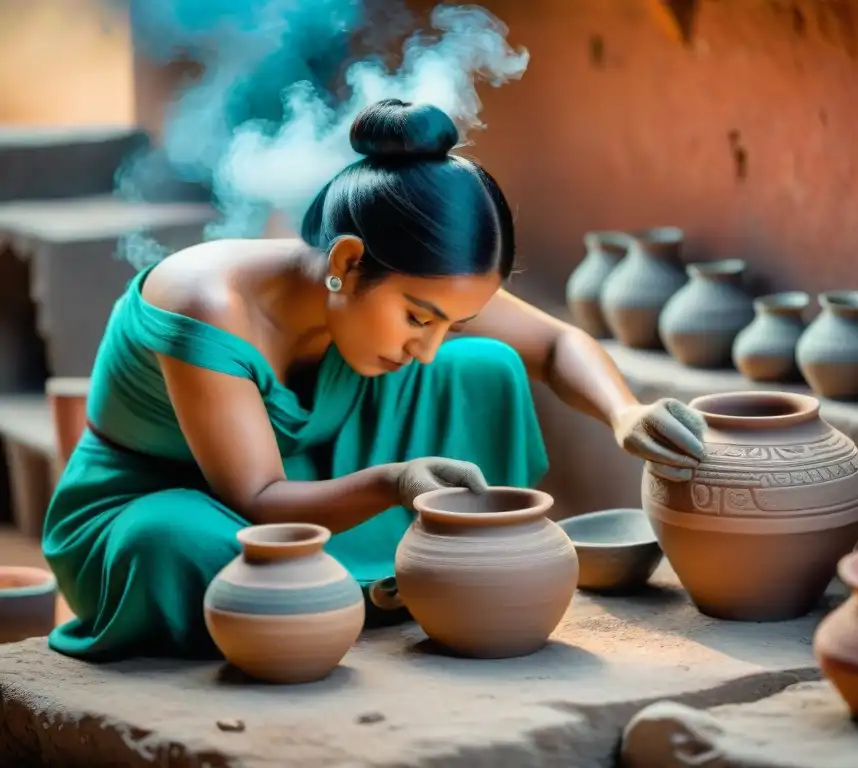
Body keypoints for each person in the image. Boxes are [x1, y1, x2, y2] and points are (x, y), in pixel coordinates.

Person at [42, 98, 706, 662]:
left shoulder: (402, 275)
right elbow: (259, 500)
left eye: (452, 319)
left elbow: (557, 343)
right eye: (420, 316)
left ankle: (403, 577)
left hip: (305, 475)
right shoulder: (207, 305)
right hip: (174, 502)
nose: (426, 345)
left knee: (483, 368)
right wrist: (395, 481)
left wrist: (625, 412)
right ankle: (363, 590)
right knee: (172, 539)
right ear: (349, 260)